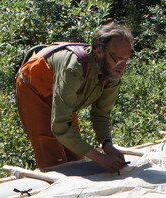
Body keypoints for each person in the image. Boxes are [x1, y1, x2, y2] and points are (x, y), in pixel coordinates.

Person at [16, 23, 132, 171]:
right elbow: (60, 126)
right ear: (98, 51)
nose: (122, 65)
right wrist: (99, 158)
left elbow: (101, 115)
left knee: (75, 156)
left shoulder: (113, 73)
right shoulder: (74, 67)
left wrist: (108, 146)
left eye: (126, 60)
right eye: (117, 58)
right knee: (54, 158)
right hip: (33, 88)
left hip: (62, 91)